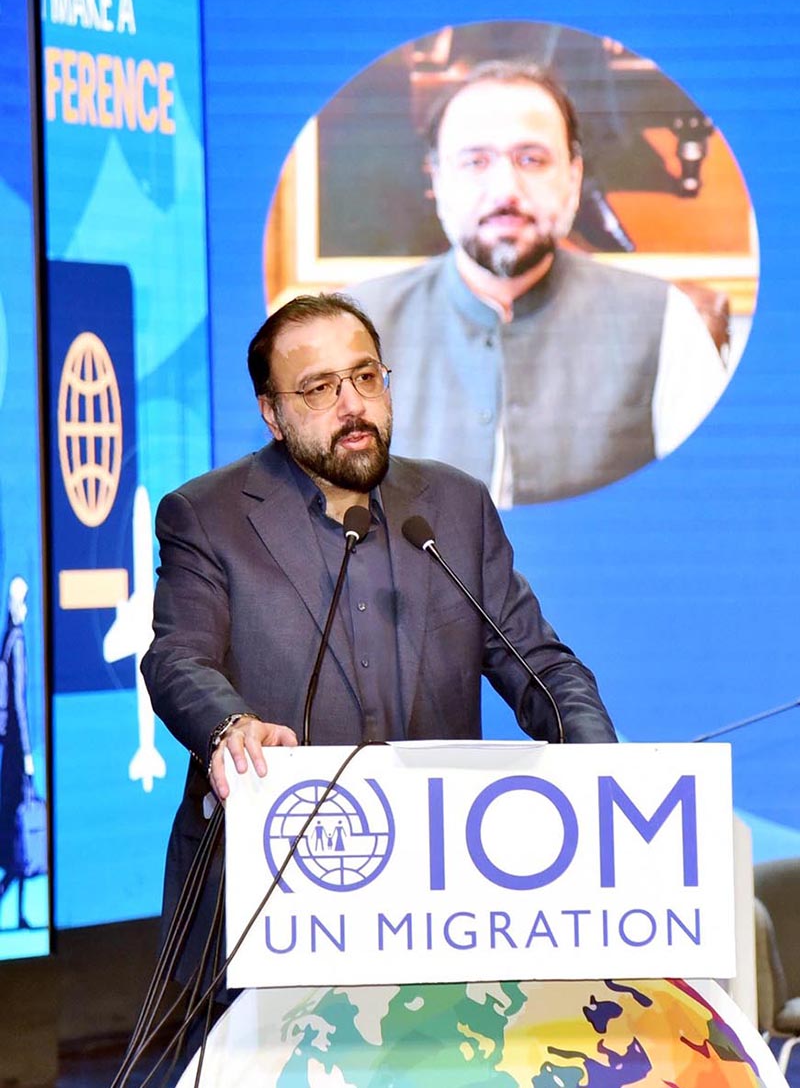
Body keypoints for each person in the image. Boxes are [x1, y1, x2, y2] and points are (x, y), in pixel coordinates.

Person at [141, 292, 616, 1006]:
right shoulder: (208, 516)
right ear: (272, 413)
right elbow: (177, 658)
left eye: (366, 377)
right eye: (319, 388)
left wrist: (603, 768)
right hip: (274, 903)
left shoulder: (452, 507)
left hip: (437, 900)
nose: (353, 405)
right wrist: (229, 727)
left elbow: (541, 667)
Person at [348, 59, 728, 505]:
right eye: (475, 161)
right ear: (438, 179)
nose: (506, 189)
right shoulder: (350, 330)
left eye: (531, 159)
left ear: (573, 176)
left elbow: (707, 500)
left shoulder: (664, 319)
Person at [0, 576, 35, 929]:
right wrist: (26, 752)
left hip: (8, 754)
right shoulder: (17, 642)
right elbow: (19, 704)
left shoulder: (7, 642)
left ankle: (20, 912)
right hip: (15, 755)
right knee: (19, 835)